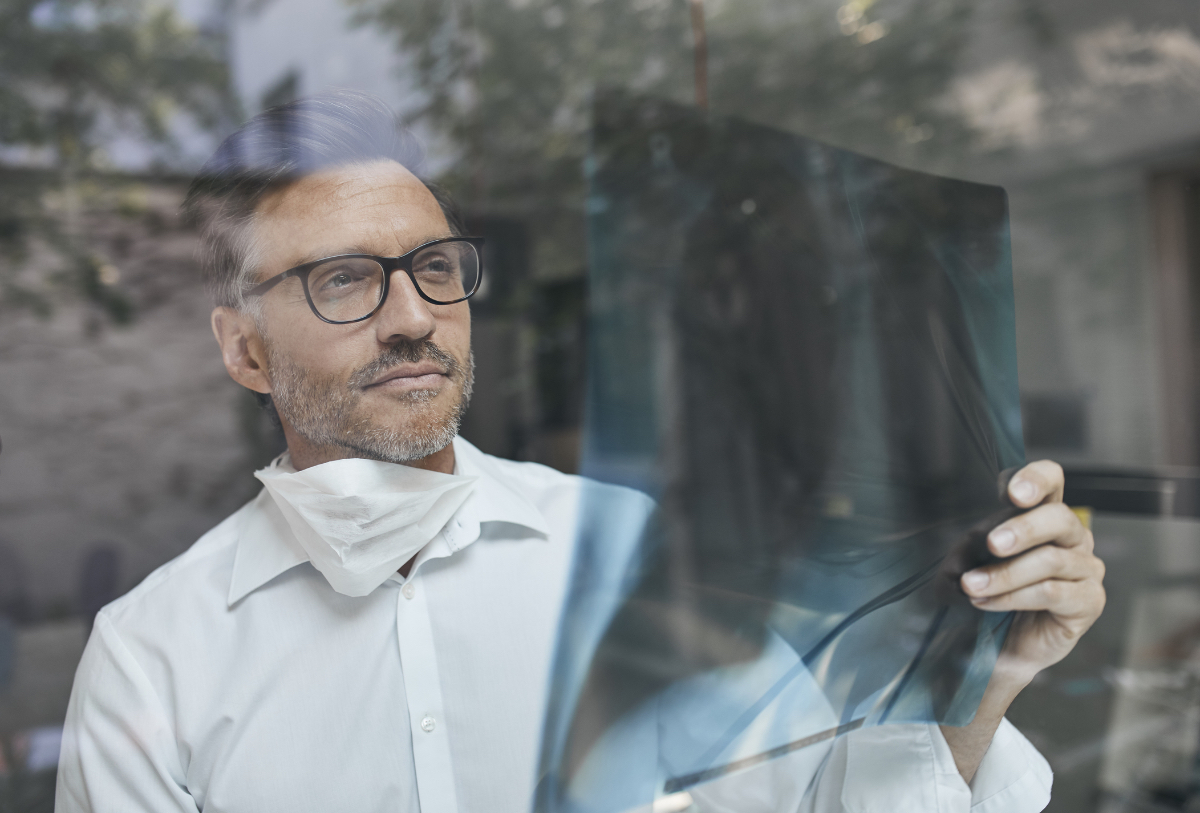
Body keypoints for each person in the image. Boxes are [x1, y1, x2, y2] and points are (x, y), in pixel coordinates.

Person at [55, 91, 1105, 813]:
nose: (413, 316)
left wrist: (986, 680)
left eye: (435, 268)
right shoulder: (155, 658)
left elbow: (815, 802)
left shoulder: (625, 548)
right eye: (343, 280)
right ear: (243, 348)